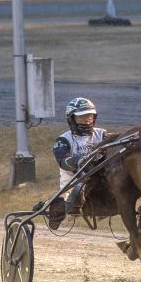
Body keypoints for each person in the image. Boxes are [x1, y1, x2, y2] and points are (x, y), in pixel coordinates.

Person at [44, 97, 106, 230]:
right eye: (82, 117)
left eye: (89, 116)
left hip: (100, 179)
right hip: (72, 182)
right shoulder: (63, 140)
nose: (87, 120)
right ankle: (58, 211)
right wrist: (77, 161)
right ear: (72, 119)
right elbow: (63, 162)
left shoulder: (102, 134)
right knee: (77, 188)